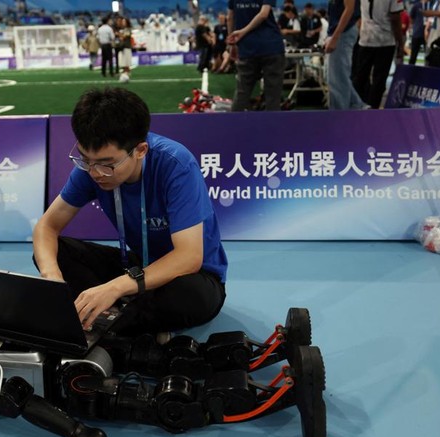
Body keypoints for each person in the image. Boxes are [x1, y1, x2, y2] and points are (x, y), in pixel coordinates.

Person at [33, 88, 228, 336]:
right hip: (137, 266)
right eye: (84, 159)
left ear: (140, 150)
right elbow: (46, 227)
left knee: (190, 296)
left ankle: (110, 321)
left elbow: (189, 257)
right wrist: (52, 279)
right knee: (56, 253)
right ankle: (122, 317)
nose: (94, 172)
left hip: (192, 275)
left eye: (106, 164)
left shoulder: (176, 165)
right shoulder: (91, 168)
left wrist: (115, 288)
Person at [227, 0, 287, 111]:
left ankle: (233, 125)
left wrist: (233, 43)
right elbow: (264, 14)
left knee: (242, 93)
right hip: (271, 46)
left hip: (247, 47)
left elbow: (230, 17)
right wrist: (243, 32)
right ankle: (272, 127)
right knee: (273, 96)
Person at [351, 0, 405, 109]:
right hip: (385, 41)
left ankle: (357, 106)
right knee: (379, 80)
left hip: (365, 39)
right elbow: (395, 17)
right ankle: (373, 110)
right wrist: (400, 41)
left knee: (360, 77)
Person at [324, 0, 368, 110]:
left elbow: (349, 9)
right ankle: (358, 105)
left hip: (343, 32)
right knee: (334, 76)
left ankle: (340, 115)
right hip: (338, 32)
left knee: (337, 79)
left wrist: (335, 37)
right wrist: (330, 35)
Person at [408, 0, 427, 65]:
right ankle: (410, 71)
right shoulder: (416, 5)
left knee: (428, 56)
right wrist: (415, 26)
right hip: (417, 33)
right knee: (413, 55)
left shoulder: (431, 5)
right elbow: (411, 17)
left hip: (428, 34)